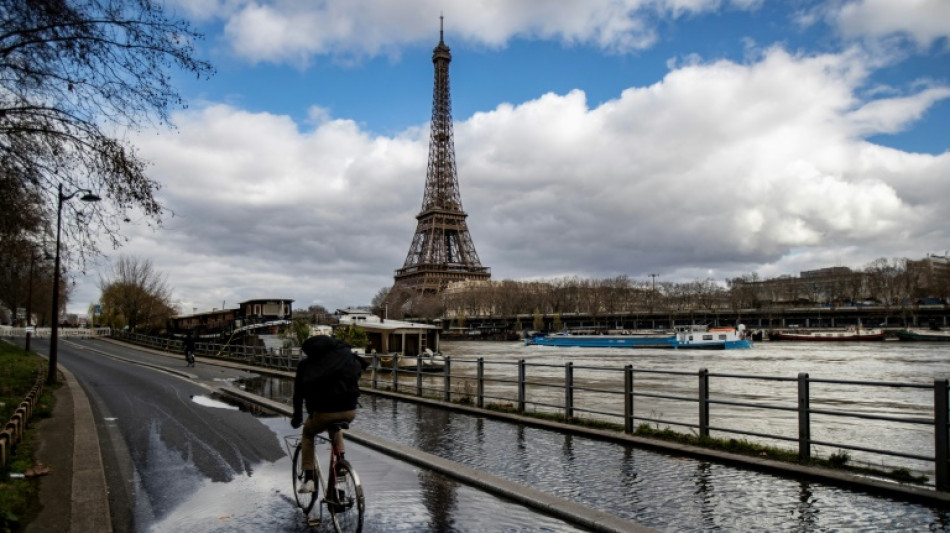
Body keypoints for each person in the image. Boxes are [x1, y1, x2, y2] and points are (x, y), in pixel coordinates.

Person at [291, 335, 367, 493]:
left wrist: (297, 416)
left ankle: (309, 478)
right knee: (336, 429)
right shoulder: (346, 357)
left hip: (324, 413)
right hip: (349, 411)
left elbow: (298, 394)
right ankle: (340, 466)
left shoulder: (308, 365)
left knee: (308, 434)